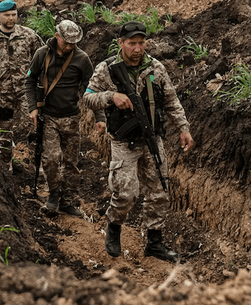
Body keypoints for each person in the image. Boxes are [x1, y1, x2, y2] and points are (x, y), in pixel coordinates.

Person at [83, 20, 195, 262]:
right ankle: (113, 227)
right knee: (126, 193)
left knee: (160, 191)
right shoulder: (107, 68)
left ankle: (154, 242)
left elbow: (171, 101)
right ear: (121, 43)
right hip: (123, 142)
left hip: (152, 139)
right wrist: (111, 96)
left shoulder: (156, 68)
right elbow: (88, 98)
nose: (137, 48)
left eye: (141, 43)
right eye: (131, 43)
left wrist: (183, 128)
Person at [25, 20, 94, 216]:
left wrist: (97, 116)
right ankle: (54, 194)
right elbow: (30, 80)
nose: (70, 46)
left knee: (71, 162)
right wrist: (33, 108)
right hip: (48, 117)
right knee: (51, 159)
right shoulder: (42, 54)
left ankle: (68, 200)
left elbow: (91, 88)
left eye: (74, 42)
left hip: (71, 117)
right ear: (57, 36)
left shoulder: (82, 58)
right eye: (67, 42)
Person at [0, 0, 44, 122]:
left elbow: (43, 58)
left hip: (26, 91)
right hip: (2, 92)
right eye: (7, 15)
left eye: (14, 15)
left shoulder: (29, 35)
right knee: (4, 130)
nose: (11, 18)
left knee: (30, 126)